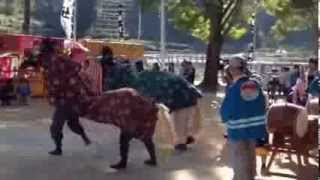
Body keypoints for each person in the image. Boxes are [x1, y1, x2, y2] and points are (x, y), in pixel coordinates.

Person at [38, 39, 91, 156]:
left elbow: (76, 67)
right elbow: (76, 67)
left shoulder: (55, 60)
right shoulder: (54, 60)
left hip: (66, 99)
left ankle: (58, 149)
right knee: (72, 123)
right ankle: (85, 138)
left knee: (56, 126)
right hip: (70, 97)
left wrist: (65, 81)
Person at [220, 56, 267, 180]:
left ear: (232, 70)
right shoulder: (255, 85)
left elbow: (227, 109)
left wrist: (223, 117)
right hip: (255, 128)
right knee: (251, 155)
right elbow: (263, 104)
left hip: (237, 129)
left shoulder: (234, 88)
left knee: (239, 158)